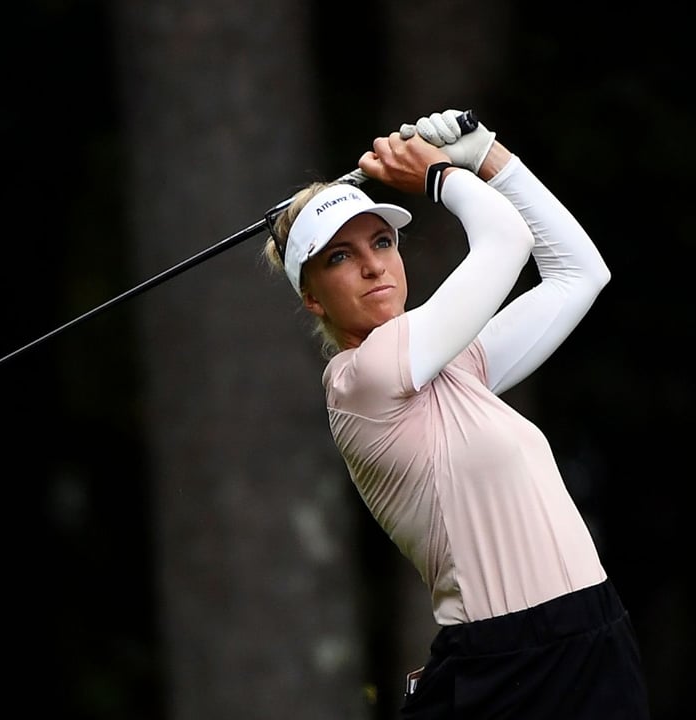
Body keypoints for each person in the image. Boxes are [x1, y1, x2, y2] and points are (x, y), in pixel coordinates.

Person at [262, 109, 650, 719]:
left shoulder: (456, 368)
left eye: (382, 242)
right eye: (339, 257)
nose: (372, 266)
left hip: (594, 633)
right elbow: (508, 241)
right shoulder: (362, 379)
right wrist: (442, 175)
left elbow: (579, 271)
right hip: (507, 667)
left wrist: (489, 155)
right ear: (312, 298)